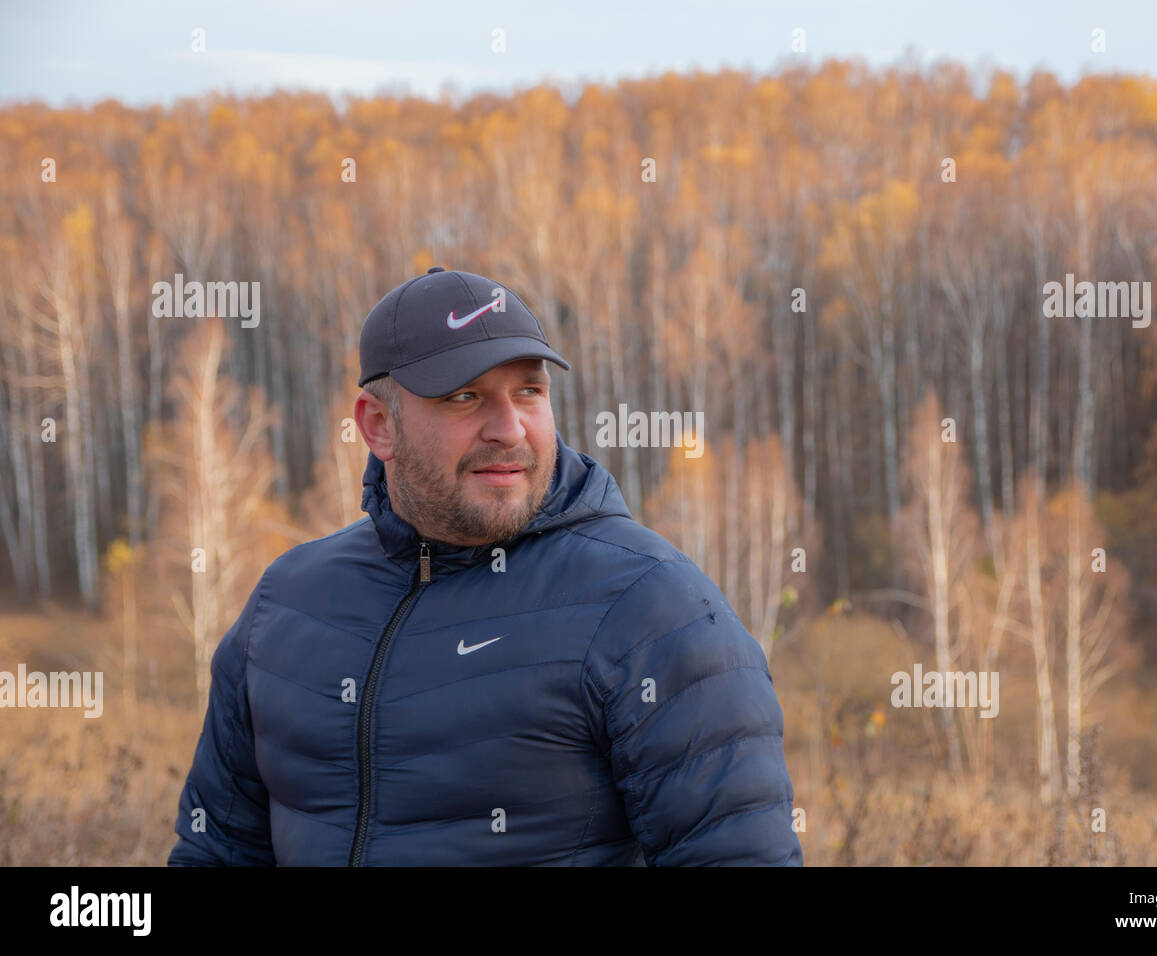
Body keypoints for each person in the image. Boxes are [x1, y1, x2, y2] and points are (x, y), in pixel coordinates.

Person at [167, 267, 803, 866]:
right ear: (379, 425)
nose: (510, 428)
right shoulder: (288, 602)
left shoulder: (653, 609)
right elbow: (215, 850)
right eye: (466, 396)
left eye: (529, 390)